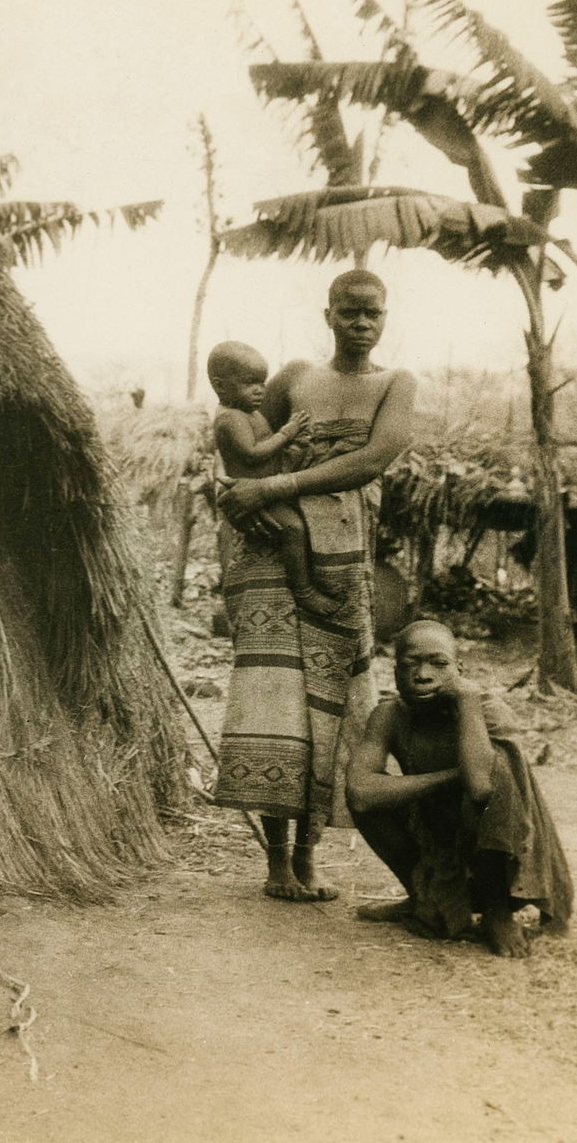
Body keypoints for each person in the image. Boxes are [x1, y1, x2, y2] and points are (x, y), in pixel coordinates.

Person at [213, 269, 416, 903]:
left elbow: (374, 457)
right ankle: (276, 863)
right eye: (350, 312)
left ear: (385, 318)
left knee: (334, 699)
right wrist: (239, 505)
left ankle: (309, 857)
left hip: (343, 554)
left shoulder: (394, 383)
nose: (361, 323)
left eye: (373, 313)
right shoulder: (296, 376)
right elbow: (239, 445)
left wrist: (272, 489)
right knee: (272, 699)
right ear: (328, 314)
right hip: (269, 552)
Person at [347, 620, 574, 957]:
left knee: (494, 784)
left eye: (439, 664)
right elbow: (360, 791)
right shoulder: (389, 716)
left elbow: (483, 788)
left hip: (502, 855)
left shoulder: (487, 710)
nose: (423, 675)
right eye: (410, 664)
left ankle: (496, 912)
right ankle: (421, 895)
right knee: (373, 801)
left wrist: (466, 698)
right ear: (394, 672)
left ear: (460, 669)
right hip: (437, 839)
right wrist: (451, 777)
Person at [206, 340, 339, 617]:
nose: (260, 390)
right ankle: (304, 591)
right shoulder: (230, 419)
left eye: (262, 383)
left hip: (269, 483)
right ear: (220, 386)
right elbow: (253, 453)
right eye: (250, 384)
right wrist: (286, 435)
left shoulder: (247, 412)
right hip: (256, 499)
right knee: (294, 529)